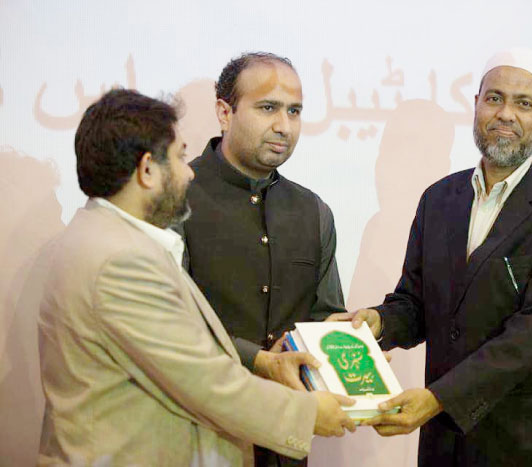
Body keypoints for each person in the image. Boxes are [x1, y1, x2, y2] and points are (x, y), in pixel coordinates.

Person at [37, 89, 355, 466]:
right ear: (147, 170)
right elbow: (206, 383)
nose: (189, 172)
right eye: (180, 157)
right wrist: (307, 413)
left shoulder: (100, 236)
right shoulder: (120, 261)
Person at [332, 48, 532, 465]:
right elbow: (416, 303)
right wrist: (378, 323)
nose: (505, 114)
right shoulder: (439, 199)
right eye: (494, 98)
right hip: (447, 446)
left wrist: (437, 398)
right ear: (475, 105)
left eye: (524, 104)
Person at [180, 52, 345, 466]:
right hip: (198, 439)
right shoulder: (175, 199)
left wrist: (353, 349)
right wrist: (262, 363)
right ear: (224, 111)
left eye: (294, 111)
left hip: (284, 445)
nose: (283, 126)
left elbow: (324, 318)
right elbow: (170, 327)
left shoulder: (314, 211)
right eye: (268, 108)